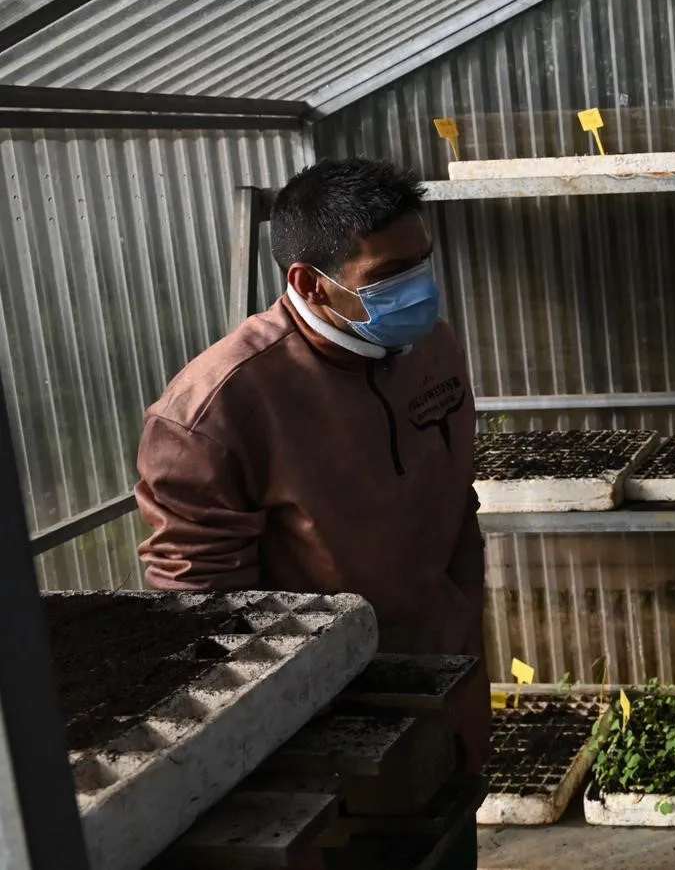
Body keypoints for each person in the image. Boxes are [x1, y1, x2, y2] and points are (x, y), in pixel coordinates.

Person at [134, 158, 490, 862]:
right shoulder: (217, 411)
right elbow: (207, 617)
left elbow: (455, 505)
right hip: (327, 735)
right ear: (308, 282)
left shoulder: (429, 348)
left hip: (442, 682)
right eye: (390, 274)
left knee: (448, 847)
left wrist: (462, 635)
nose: (419, 288)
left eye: (424, 261)